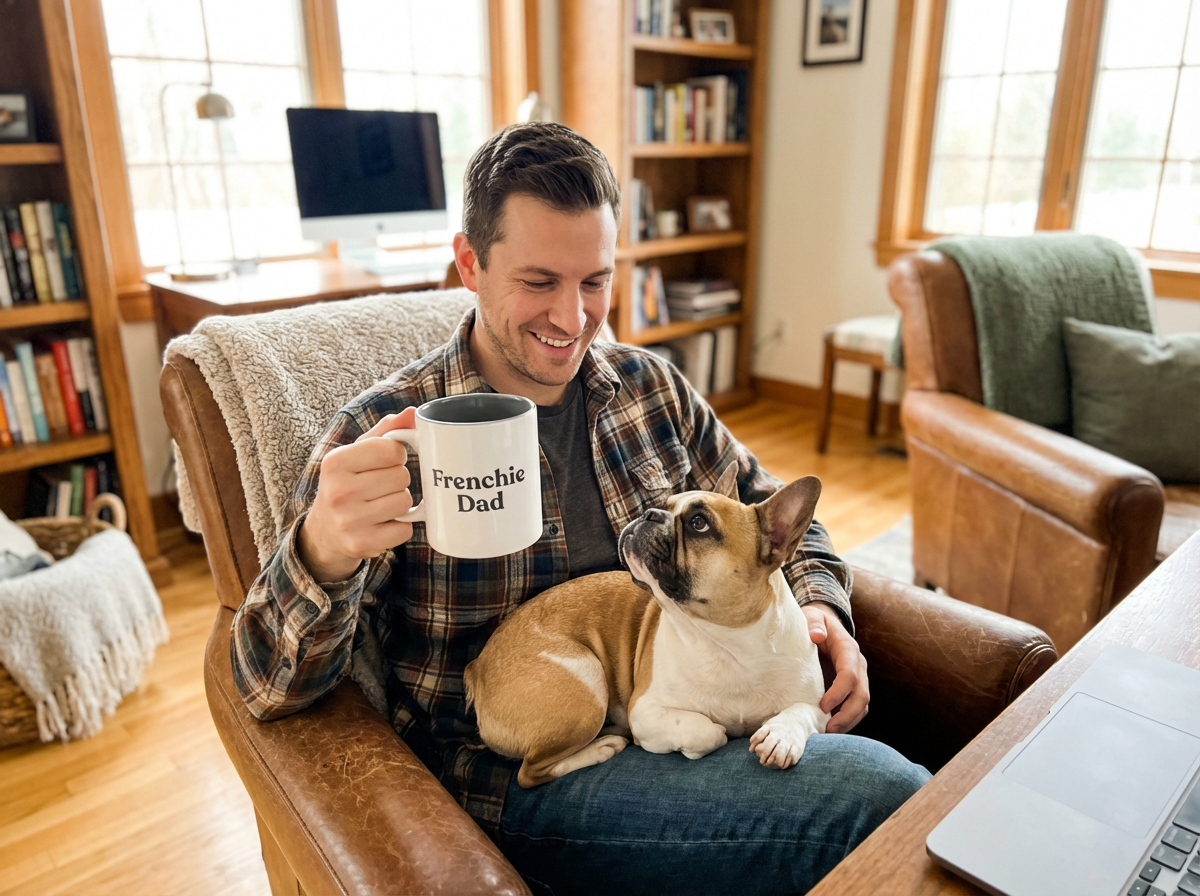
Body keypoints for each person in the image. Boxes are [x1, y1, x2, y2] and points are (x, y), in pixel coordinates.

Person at [231, 121, 929, 895]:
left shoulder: (652, 390)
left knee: (906, 777)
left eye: (595, 281)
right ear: (470, 262)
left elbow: (784, 523)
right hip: (525, 776)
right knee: (878, 797)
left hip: (696, 711)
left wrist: (820, 606)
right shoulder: (384, 433)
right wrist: (326, 546)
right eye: (538, 282)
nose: (572, 319)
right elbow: (263, 686)